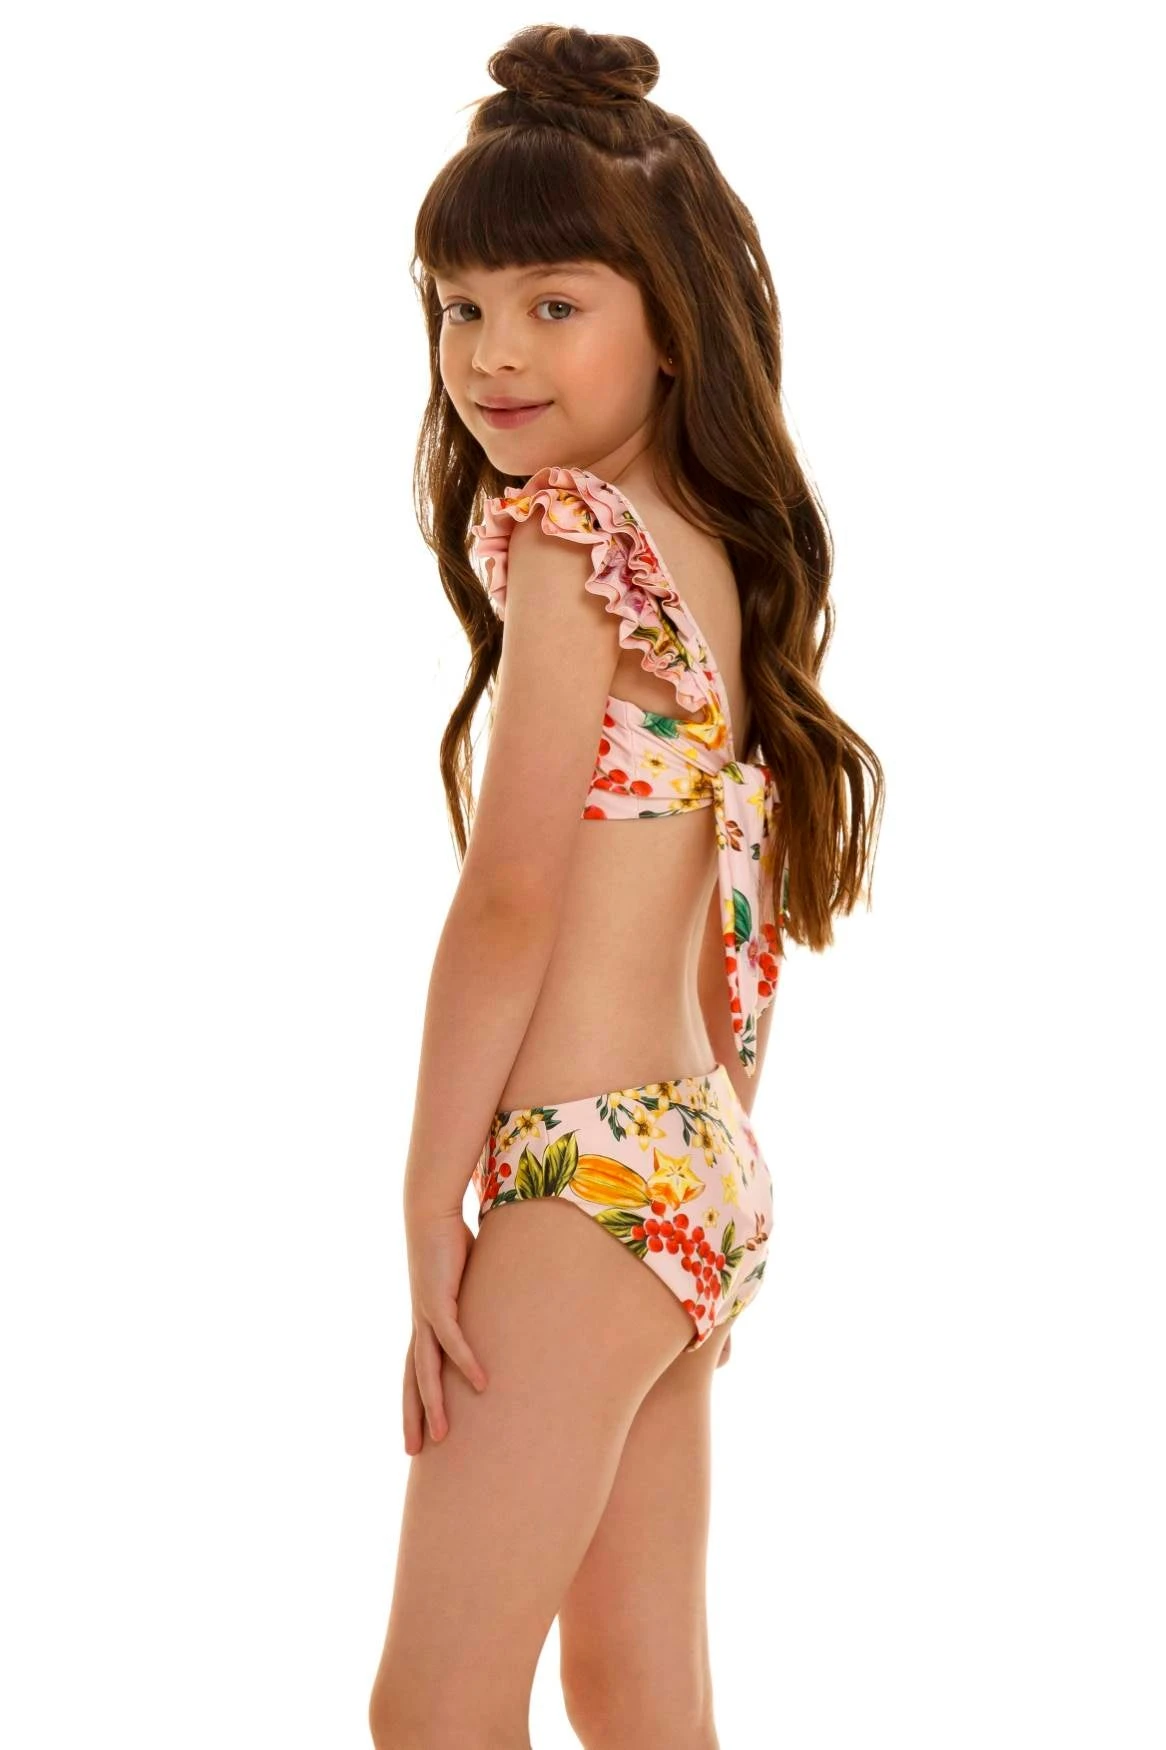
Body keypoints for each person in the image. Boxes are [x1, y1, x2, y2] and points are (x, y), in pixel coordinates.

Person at [368, 24, 884, 1750]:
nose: (492, 352)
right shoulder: (707, 552)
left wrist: (427, 1202)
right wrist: (718, 1155)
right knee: (639, 1696)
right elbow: (724, 906)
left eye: (552, 301)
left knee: (433, 1706)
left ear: (670, 322)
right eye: (459, 306)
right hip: (689, 1161)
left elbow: (512, 896)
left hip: (582, 1178)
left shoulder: (569, 541)